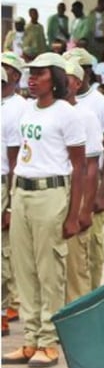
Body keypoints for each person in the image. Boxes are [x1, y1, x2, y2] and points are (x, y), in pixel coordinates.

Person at [2, 53, 85, 367]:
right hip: (22, 189)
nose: (32, 79)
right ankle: (30, 338)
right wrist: (11, 199)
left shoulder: (66, 114)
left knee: (49, 269)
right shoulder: (27, 111)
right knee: (24, 269)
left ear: (56, 78)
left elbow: (79, 166)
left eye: (39, 74)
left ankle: (48, 340)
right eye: (30, 74)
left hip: (51, 193)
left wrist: (74, 213)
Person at [64, 48, 104, 290]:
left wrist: (101, 192)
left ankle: (92, 295)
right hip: (70, 183)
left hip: (91, 185)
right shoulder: (59, 103)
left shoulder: (100, 105)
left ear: (85, 72)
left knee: (91, 251)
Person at [2, 54, 28, 334]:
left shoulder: (20, 107)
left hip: (6, 179)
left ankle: (9, 303)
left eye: (7, 69)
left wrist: (10, 197)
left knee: (5, 249)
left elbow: (15, 156)